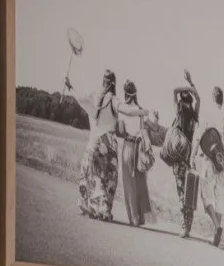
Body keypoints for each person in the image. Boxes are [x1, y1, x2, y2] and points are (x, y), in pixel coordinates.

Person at [192, 84, 224, 247]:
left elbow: (198, 137)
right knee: (220, 198)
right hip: (223, 164)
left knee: (205, 196)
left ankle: (217, 226)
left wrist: (192, 155)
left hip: (208, 161)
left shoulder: (207, 114)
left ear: (212, 98)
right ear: (222, 99)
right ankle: (216, 236)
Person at [65, 69, 120, 220]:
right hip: (110, 143)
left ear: (103, 81)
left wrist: (70, 87)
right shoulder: (114, 101)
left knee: (88, 175)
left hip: (94, 142)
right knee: (108, 178)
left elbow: (79, 98)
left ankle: (88, 205)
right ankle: (104, 209)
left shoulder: (94, 96)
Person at [163, 70, 201, 237]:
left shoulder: (179, 109)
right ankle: (188, 227)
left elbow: (173, 91)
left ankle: (183, 227)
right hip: (189, 158)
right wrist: (191, 84)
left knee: (181, 192)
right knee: (189, 192)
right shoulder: (194, 112)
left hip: (179, 159)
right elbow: (199, 99)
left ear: (181, 98)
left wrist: (185, 86)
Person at [115, 80, 154, 228]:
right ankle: (141, 217)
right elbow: (143, 130)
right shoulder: (140, 110)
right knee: (139, 182)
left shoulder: (124, 110)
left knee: (128, 183)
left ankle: (134, 218)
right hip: (139, 148)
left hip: (128, 146)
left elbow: (121, 131)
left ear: (125, 93)